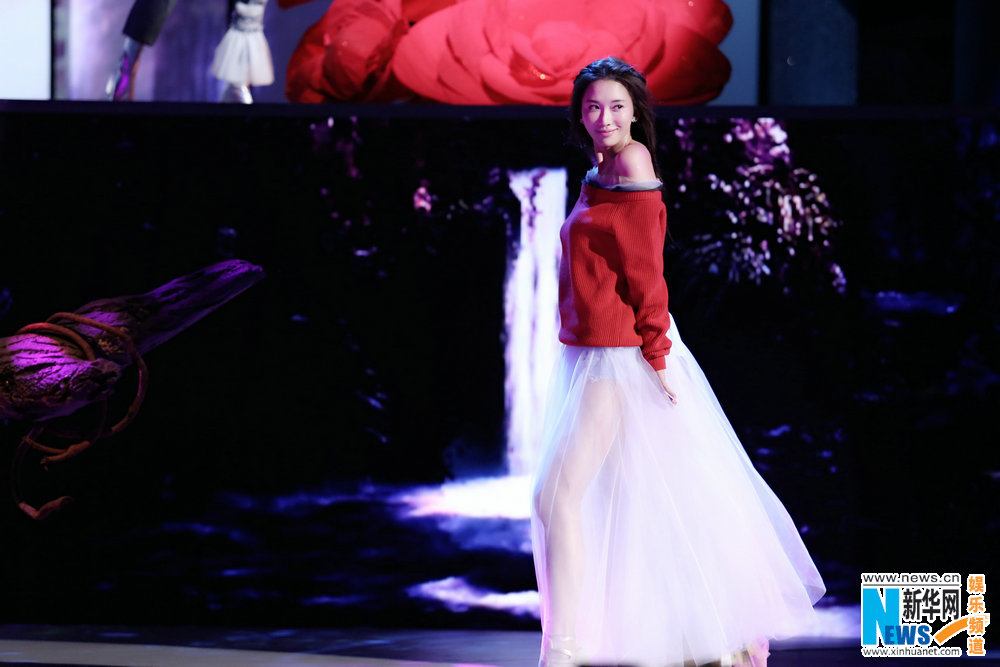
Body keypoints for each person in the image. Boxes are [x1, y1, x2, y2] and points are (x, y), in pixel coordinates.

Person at [530, 57, 826, 667]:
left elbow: (647, 270)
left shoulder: (633, 163)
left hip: (618, 355)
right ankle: (696, 636)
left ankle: (561, 649)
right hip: (588, 351)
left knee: (556, 496)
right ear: (578, 114)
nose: (605, 117)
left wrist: (657, 355)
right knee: (635, 497)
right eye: (593, 106)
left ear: (635, 112)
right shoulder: (598, 170)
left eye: (617, 106)